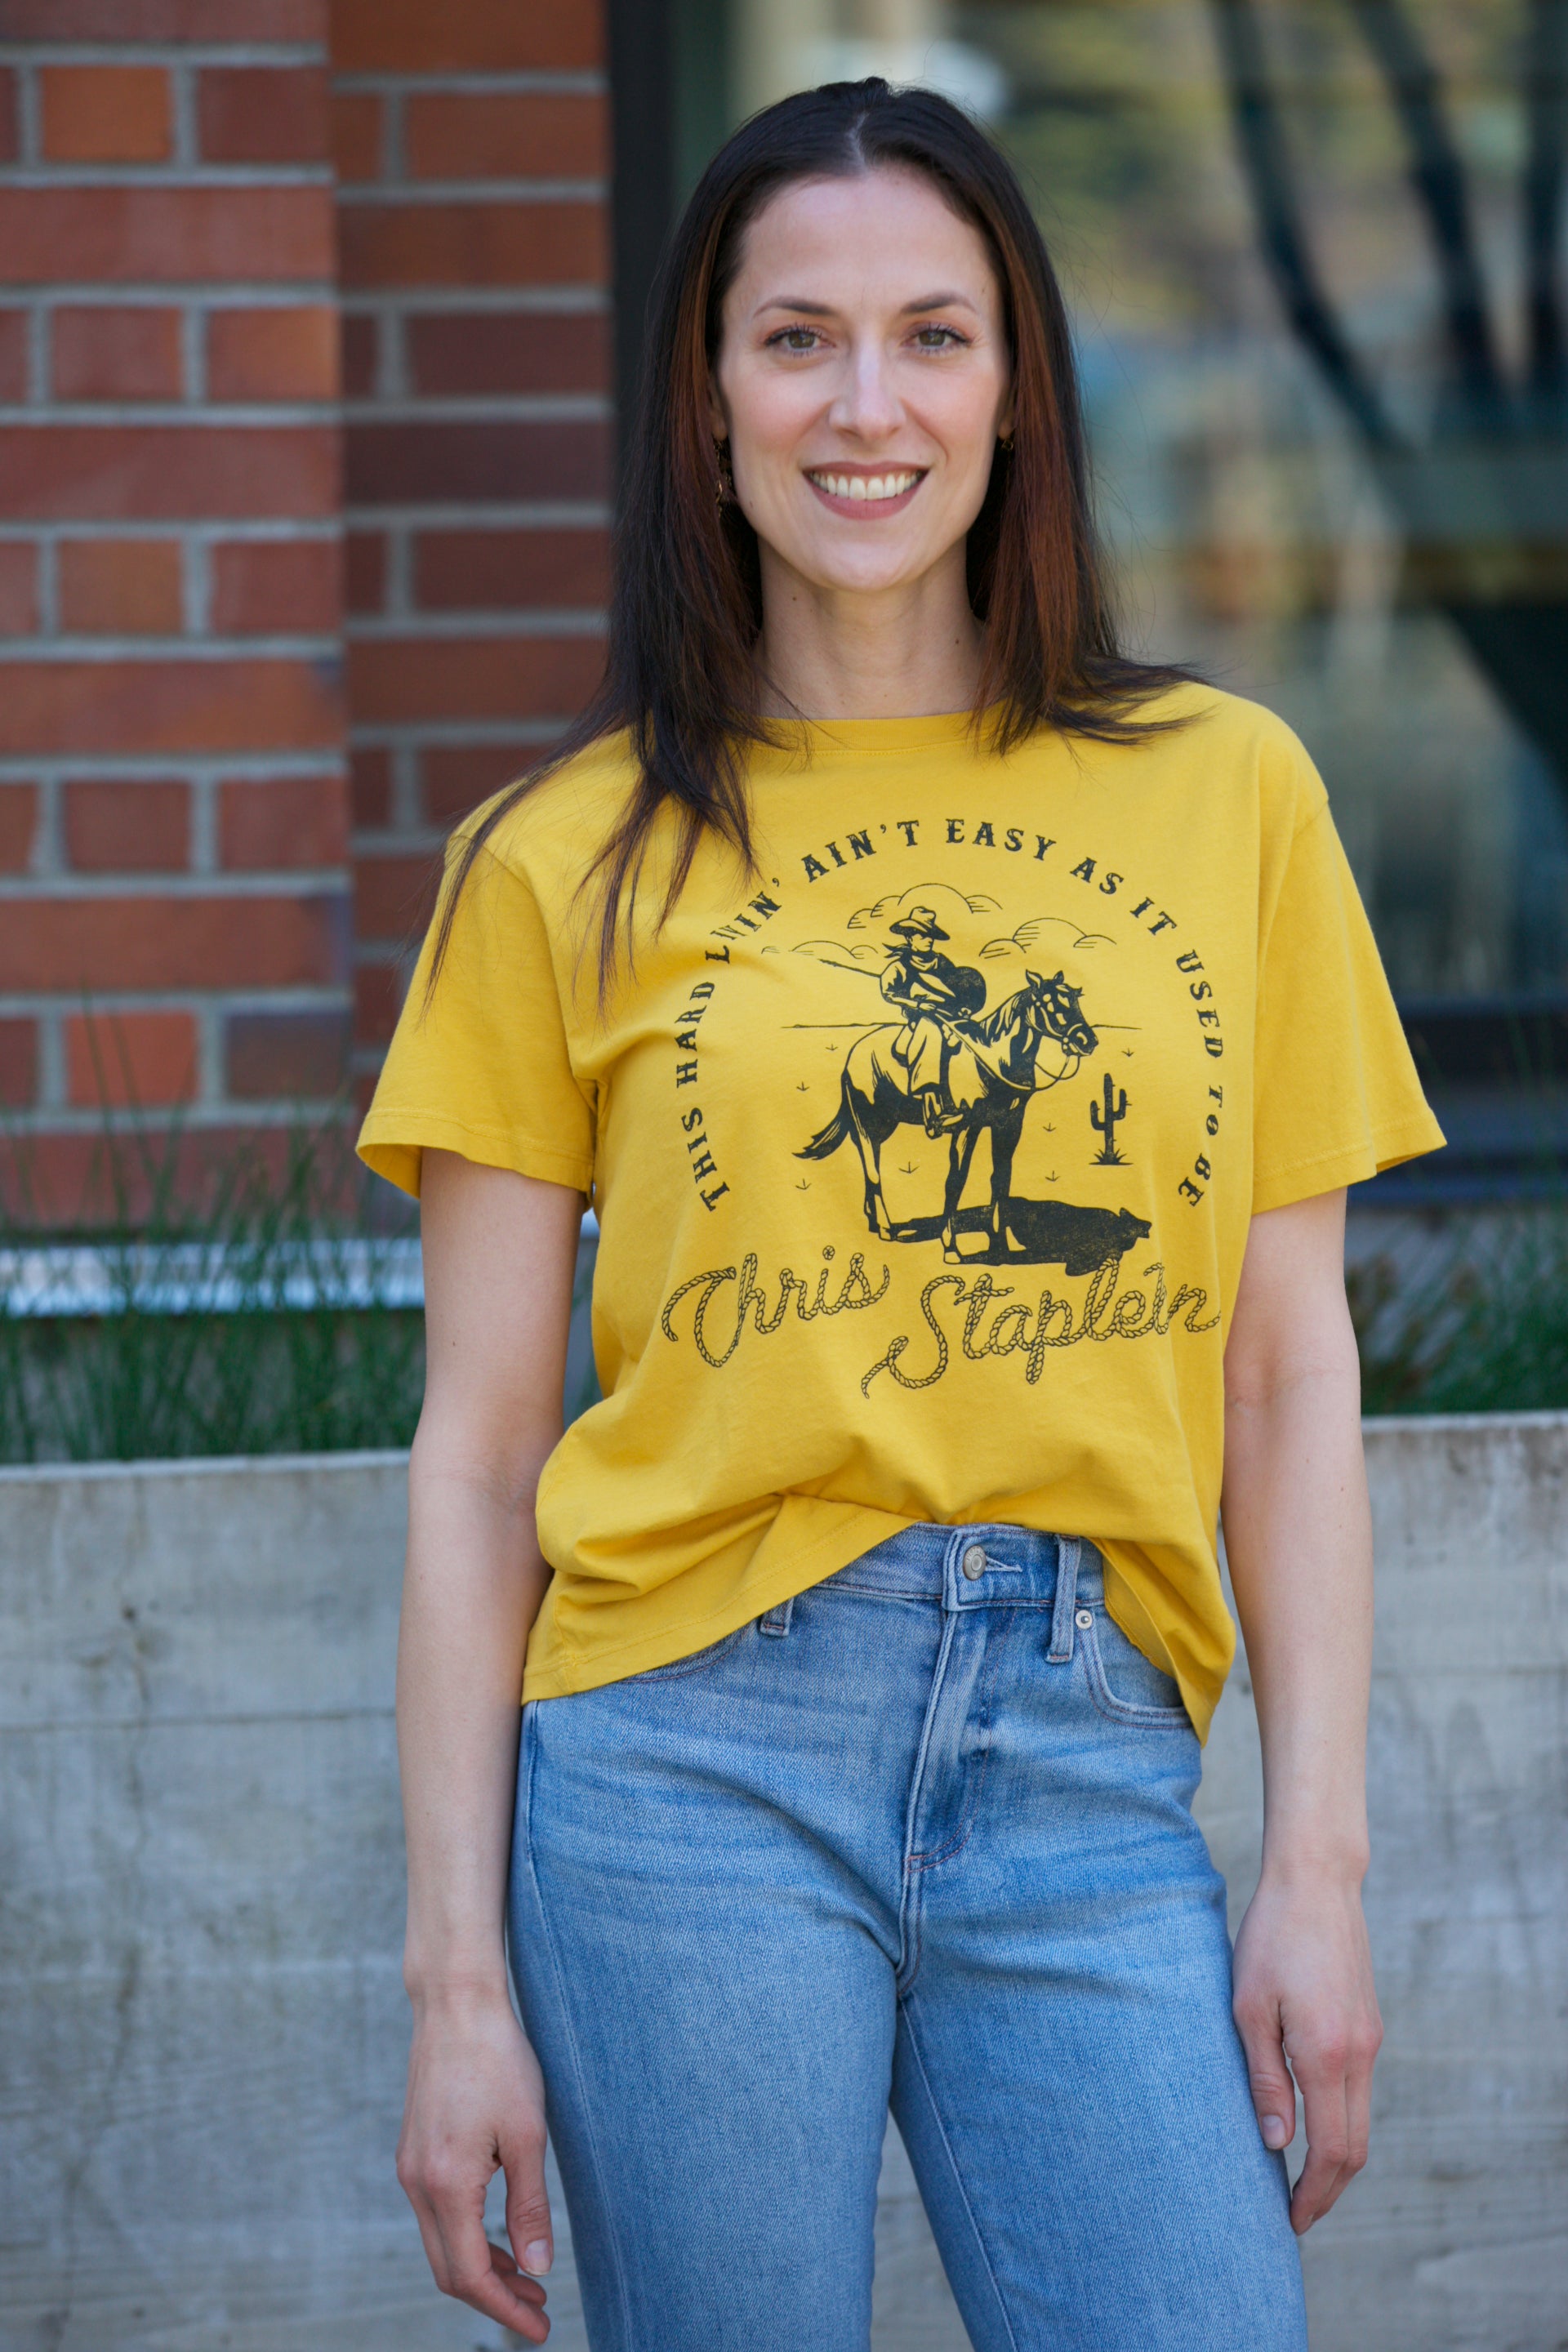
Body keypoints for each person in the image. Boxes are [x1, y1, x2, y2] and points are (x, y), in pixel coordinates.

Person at [358, 78, 1444, 2352]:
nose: (868, 407)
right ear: (706, 401)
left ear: (1018, 387)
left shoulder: (1229, 792)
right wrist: (455, 1985)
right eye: (797, 340)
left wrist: (1319, 1864)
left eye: (934, 336)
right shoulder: (554, 862)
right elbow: (475, 1461)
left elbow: (1283, 1375)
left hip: (1084, 1746)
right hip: (683, 1761)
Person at [879, 906, 987, 1134]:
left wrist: (964, 1008)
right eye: (922, 935)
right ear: (910, 938)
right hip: (921, 1019)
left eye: (930, 935)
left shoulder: (942, 962)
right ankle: (933, 1115)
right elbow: (889, 994)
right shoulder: (899, 967)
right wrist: (918, 1005)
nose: (928, 940)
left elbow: (956, 988)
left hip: (948, 1016)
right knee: (931, 1035)